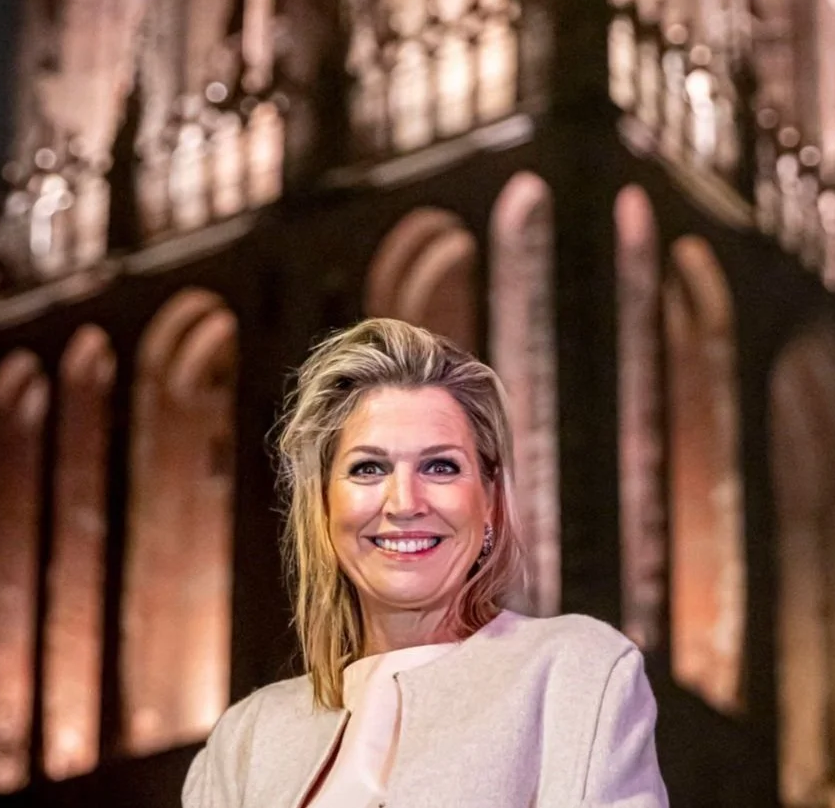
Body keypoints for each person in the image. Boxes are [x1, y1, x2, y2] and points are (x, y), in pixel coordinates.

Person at [183, 317, 668, 807]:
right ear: (323, 507)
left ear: (491, 500)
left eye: (441, 466)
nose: (404, 502)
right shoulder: (246, 740)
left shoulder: (573, 673)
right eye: (368, 468)